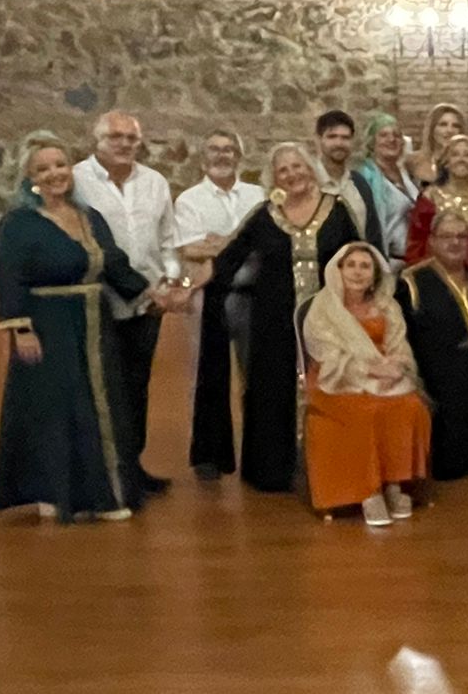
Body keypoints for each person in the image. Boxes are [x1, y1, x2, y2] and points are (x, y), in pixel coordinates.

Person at [0, 133, 150, 522]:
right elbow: (9, 277)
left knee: (100, 406)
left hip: (95, 325)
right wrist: (21, 329)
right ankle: (55, 491)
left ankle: (106, 493)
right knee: (55, 409)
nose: (54, 174)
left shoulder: (89, 216)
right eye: (43, 169)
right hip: (49, 327)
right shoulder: (19, 224)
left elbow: (114, 265)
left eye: (60, 165)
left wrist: (154, 295)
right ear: (30, 178)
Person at [208, 143, 358, 493]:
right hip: (273, 320)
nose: (292, 174)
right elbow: (230, 258)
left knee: (331, 383)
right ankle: (273, 469)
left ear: (310, 168)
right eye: (283, 170)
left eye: (297, 166)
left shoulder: (337, 210)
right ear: (273, 179)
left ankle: (332, 465)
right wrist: (191, 287)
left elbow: (358, 257)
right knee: (272, 390)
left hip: (328, 316)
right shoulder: (265, 215)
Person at [72, 110, 183, 496]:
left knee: (137, 387)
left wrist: (168, 282)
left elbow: (168, 242)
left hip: (147, 304)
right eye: (115, 137)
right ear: (97, 139)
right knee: (99, 388)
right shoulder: (77, 181)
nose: (124, 144)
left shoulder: (155, 182)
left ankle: (131, 467)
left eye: (131, 138)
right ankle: (98, 473)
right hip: (97, 302)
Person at [300, 243, 431, 526]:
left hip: (385, 375)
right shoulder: (323, 308)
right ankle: (369, 492)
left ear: (375, 274)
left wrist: (396, 367)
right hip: (336, 380)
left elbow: (400, 346)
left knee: (410, 406)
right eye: (351, 265)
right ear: (338, 270)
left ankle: (394, 483)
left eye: (365, 266)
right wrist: (368, 370)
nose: (357, 272)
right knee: (365, 411)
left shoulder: (387, 306)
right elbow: (326, 355)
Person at [174, 128, 264, 484]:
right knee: (207, 374)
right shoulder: (190, 200)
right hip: (207, 292)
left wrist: (220, 242)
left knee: (256, 373)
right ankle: (209, 454)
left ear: (239, 157)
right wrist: (240, 241)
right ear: (203, 157)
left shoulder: (258, 196)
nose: (222, 155)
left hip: (254, 293)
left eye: (229, 149)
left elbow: (265, 243)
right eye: (214, 149)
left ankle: (259, 452)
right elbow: (190, 248)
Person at [400, 209, 468, 481]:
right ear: (432, 241)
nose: (455, 242)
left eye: (461, 237)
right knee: (450, 466)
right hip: (437, 381)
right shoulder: (412, 283)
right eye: (446, 237)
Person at [403, 133, 468, 271]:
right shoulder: (431, 197)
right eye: (455, 155)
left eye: (467, 155)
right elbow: (416, 241)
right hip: (437, 273)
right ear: (446, 162)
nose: (461, 159)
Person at [354, 113, 420, 270]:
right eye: (384, 135)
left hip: (413, 261)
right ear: (372, 142)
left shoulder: (407, 174)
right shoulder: (365, 177)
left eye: (396, 135)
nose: (391, 139)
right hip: (386, 262)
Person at [314, 109, 375, 235]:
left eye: (345, 138)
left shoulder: (360, 184)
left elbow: (373, 234)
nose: (339, 143)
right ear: (319, 139)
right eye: (332, 137)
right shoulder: (308, 182)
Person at [413, 104, 467, 187]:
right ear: (432, 128)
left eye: (455, 126)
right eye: (443, 124)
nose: (449, 130)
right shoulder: (413, 162)